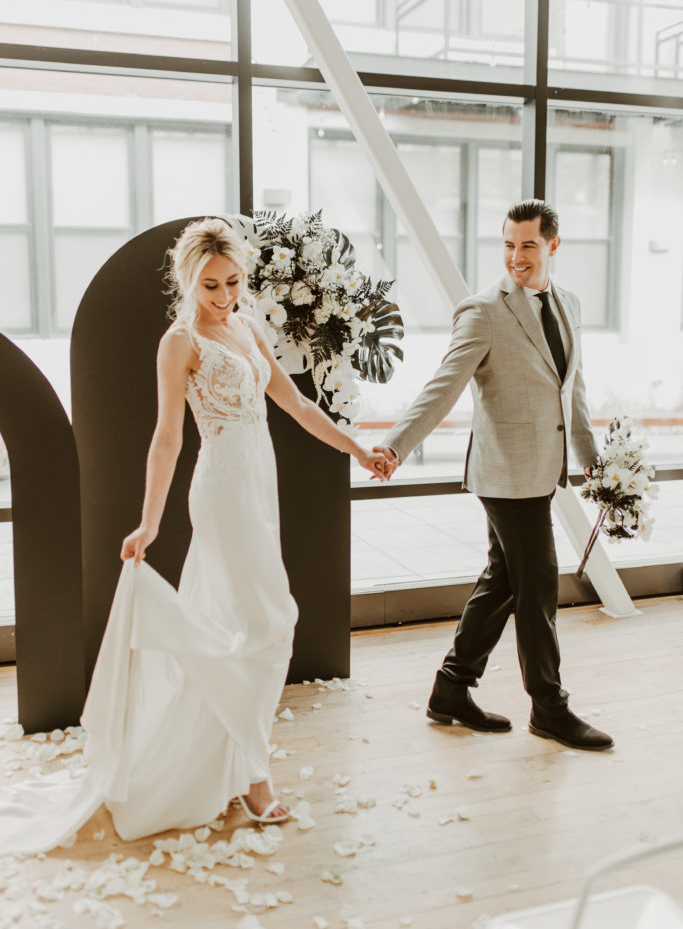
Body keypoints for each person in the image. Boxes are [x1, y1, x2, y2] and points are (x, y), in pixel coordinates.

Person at [0, 217, 391, 854]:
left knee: (237, 625)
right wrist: (150, 522)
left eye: (233, 282)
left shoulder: (248, 325)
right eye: (211, 285)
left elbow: (296, 405)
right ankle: (255, 776)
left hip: (259, 486)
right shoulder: (179, 343)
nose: (224, 296)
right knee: (270, 623)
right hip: (223, 491)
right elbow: (166, 438)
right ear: (187, 281)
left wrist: (358, 449)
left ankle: (229, 762)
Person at [376, 199, 613, 752]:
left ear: (553, 245)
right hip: (504, 475)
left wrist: (593, 462)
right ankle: (549, 708)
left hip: (542, 470)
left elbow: (571, 389)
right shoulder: (483, 310)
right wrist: (395, 445)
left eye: (528, 245)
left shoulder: (569, 303)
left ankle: (450, 690)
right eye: (508, 244)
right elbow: (444, 385)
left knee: (504, 579)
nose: (516, 257)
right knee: (539, 587)